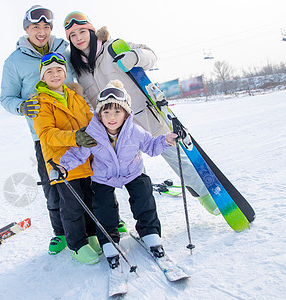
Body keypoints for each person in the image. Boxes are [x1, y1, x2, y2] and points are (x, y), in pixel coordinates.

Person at [63, 11, 219, 215]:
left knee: (178, 160)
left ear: (91, 31)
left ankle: (208, 198)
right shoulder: (78, 68)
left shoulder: (112, 47)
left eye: (82, 31)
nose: (78, 38)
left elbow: (151, 55)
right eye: (72, 36)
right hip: (115, 129)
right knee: (136, 179)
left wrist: (134, 57)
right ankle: (146, 221)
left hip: (145, 116)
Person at [59, 80, 178, 267]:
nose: (111, 117)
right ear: (99, 114)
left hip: (132, 172)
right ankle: (109, 239)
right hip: (103, 176)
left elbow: (152, 146)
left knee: (143, 194)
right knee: (103, 206)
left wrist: (166, 140)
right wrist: (63, 166)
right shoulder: (93, 133)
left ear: (126, 113)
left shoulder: (135, 131)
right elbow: (78, 153)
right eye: (106, 112)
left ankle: (149, 232)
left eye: (117, 112)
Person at [0, 6, 75, 255]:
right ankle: (61, 233)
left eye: (46, 27)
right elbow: (6, 98)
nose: (41, 32)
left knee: (88, 176)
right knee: (53, 184)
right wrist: (21, 106)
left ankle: (101, 221)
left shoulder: (65, 48)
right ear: (26, 29)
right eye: (35, 27)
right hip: (43, 134)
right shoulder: (14, 61)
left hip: (76, 127)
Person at [32, 52, 102, 265]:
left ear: (65, 74)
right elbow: (46, 134)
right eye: (49, 72)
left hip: (83, 158)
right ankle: (77, 244)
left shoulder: (76, 97)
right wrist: (75, 137)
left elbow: (91, 121)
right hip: (61, 162)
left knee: (89, 199)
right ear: (43, 77)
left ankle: (91, 235)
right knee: (72, 205)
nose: (55, 75)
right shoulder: (40, 103)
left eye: (59, 71)